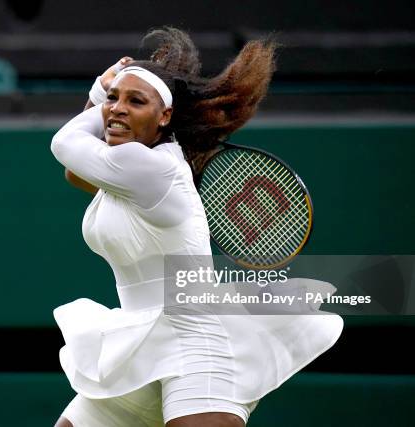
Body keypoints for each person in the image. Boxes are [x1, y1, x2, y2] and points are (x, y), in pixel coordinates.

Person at [50, 27, 343, 427]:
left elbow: (65, 144)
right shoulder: (121, 170)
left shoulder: (152, 169)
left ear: (164, 116)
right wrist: (104, 98)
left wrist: (101, 92)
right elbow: (73, 170)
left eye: (135, 101)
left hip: (194, 346)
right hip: (140, 345)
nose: (118, 109)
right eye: (116, 99)